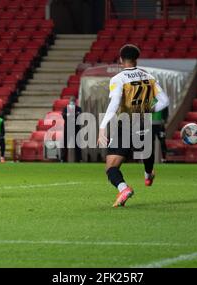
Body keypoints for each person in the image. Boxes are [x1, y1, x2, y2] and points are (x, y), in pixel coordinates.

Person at [97, 44, 170, 207]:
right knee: (145, 152)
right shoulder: (149, 77)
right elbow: (165, 101)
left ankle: (123, 189)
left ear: (121, 59)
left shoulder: (118, 78)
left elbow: (115, 102)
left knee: (111, 166)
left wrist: (102, 126)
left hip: (127, 124)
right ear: (136, 59)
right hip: (145, 122)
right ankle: (148, 174)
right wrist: (147, 109)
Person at [61, 97, 82, 162]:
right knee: (65, 144)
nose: (72, 102)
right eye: (71, 101)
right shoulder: (65, 109)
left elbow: (79, 117)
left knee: (77, 144)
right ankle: (63, 159)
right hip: (68, 129)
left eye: (73, 101)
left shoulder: (78, 109)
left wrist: (70, 115)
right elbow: (64, 116)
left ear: (75, 102)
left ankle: (78, 159)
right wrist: (73, 116)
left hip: (76, 129)